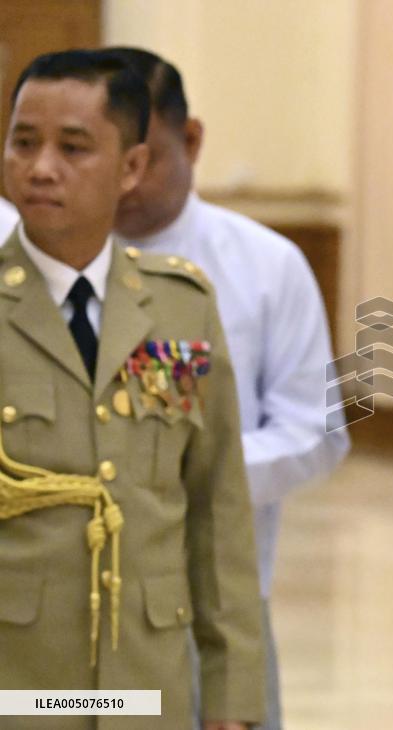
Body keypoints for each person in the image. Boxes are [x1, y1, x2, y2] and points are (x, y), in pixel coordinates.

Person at [0, 49, 264, 729]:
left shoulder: (181, 308)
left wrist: (232, 700)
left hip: (146, 691)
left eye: (73, 146)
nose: (41, 167)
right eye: (22, 143)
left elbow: (217, 514)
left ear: (132, 167)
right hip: (20, 686)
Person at [106, 47, 350, 730]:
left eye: (142, 156)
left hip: (207, 604)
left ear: (191, 140)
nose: (122, 180)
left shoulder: (265, 266)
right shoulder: (32, 269)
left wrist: (188, 472)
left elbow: (316, 433)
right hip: (57, 613)